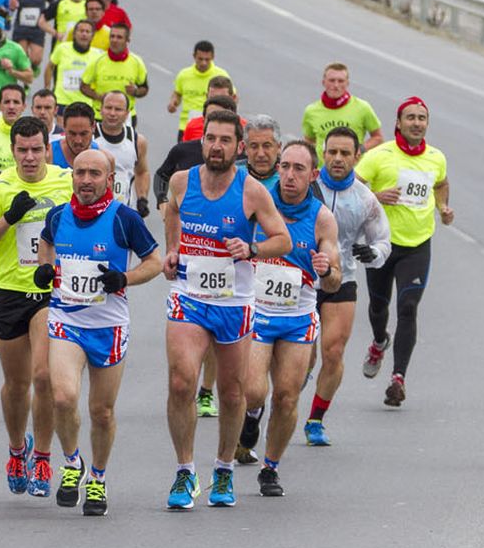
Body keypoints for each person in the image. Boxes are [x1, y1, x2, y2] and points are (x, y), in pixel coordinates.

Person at [161, 111, 291, 510]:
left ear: (238, 148)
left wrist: (252, 249)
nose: (216, 146)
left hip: (234, 301)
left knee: (233, 393)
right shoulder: (183, 182)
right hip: (190, 295)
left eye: (224, 140)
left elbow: (283, 240)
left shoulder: (252, 191)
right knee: (182, 382)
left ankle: (223, 468)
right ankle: (185, 471)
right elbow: (172, 213)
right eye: (210, 139)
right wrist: (172, 250)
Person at [36, 148, 161, 516]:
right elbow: (46, 241)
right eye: (80, 173)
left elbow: (153, 262)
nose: (86, 180)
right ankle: (72, 463)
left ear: (110, 179)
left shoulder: (124, 219)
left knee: (101, 412)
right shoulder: (58, 215)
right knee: (62, 397)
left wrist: (125, 278)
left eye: (94, 174)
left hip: (108, 326)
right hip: (66, 320)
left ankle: (98, 478)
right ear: (72, 176)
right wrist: (45, 268)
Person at [0, 116, 74, 498]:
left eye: (36, 149)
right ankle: (18, 449)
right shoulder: (0, 186)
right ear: (12, 150)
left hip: (49, 292)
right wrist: (9, 218)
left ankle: (44, 456)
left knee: (44, 376)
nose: (29, 158)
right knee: (17, 385)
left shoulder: (65, 181)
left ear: (47, 148)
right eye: (22, 150)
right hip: (11, 291)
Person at [239, 142, 341, 497]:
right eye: (285, 166)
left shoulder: (322, 217)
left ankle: (270, 466)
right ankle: (251, 416)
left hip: (298, 316)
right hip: (258, 311)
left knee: (286, 396)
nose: (290, 175)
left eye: (299, 169)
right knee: (253, 390)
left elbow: (334, 279)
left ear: (313, 175)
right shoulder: (257, 202)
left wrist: (326, 270)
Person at [355, 97, 453, 407]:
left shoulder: (436, 157)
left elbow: (441, 183)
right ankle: (379, 340)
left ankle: (398, 378)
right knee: (378, 307)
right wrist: (376, 195)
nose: (416, 123)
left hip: (418, 244)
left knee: (408, 307)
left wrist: (443, 207)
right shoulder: (379, 155)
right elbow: (352, 186)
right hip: (382, 243)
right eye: (410, 117)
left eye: (422, 118)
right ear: (398, 122)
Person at [304, 127, 391, 447]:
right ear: (323, 153)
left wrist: (373, 253)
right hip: (301, 280)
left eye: (345, 153)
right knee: (304, 356)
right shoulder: (305, 186)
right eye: (332, 152)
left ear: (358, 156)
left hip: (343, 280)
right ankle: (300, 374)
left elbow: (383, 241)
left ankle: (315, 419)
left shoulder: (365, 199)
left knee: (334, 350)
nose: (337, 159)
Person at [300, 62, 384, 157]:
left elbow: (378, 137)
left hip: (353, 169)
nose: (336, 85)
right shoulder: (311, 111)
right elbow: (309, 141)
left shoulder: (362, 107)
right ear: (323, 82)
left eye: (341, 81)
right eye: (332, 80)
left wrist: (360, 149)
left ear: (347, 83)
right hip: (322, 169)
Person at [96, 90, 150, 214]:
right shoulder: (90, 137)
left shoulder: (137, 141)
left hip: (124, 211)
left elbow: (142, 172)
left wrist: (142, 199)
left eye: (118, 109)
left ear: (127, 113)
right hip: (95, 212)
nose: (112, 113)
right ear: (101, 109)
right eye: (108, 108)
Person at [79, 21, 148, 117]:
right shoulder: (97, 60)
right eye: (112, 36)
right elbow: (83, 87)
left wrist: (135, 92)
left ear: (127, 40)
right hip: (100, 115)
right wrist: (99, 97)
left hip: (126, 117)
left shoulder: (136, 61)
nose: (114, 40)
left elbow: (144, 88)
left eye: (119, 37)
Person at [167, 41, 232, 140]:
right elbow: (177, 93)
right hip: (186, 126)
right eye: (200, 59)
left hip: (212, 126)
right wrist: (173, 103)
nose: (203, 63)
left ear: (213, 57)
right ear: (194, 56)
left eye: (207, 59)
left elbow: (232, 98)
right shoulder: (184, 75)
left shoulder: (221, 75)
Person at [46, 18, 99, 115]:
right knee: (63, 130)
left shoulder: (97, 55)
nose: (84, 34)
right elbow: (50, 67)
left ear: (92, 36)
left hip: (86, 103)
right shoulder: (62, 48)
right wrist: (47, 89)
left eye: (87, 32)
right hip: (62, 100)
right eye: (81, 31)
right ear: (74, 34)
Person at [8, 0, 53, 70]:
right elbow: (11, 6)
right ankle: (26, 81)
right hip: (21, 27)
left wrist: (45, 18)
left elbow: (52, 5)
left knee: (36, 59)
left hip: (37, 28)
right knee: (21, 59)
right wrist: (12, 7)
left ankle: (32, 70)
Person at [50, 100, 97, 170]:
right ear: (64, 127)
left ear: (93, 127)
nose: (78, 141)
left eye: (83, 134)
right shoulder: (48, 155)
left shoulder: (103, 158)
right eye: (72, 134)